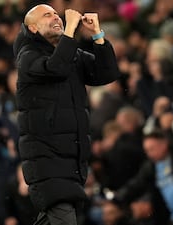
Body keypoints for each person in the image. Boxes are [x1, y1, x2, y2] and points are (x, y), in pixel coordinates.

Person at [13, 4, 119, 225]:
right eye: (47, 15)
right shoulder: (28, 56)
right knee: (62, 214)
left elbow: (106, 73)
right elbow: (56, 69)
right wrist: (71, 29)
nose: (57, 18)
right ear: (32, 29)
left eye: (56, 14)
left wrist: (97, 35)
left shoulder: (72, 55)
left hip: (71, 157)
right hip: (46, 158)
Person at [107, 111, 173, 225]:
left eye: (152, 149)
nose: (149, 154)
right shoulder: (151, 166)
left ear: (164, 144)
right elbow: (137, 183)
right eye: (146, 150)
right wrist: (117, 198)